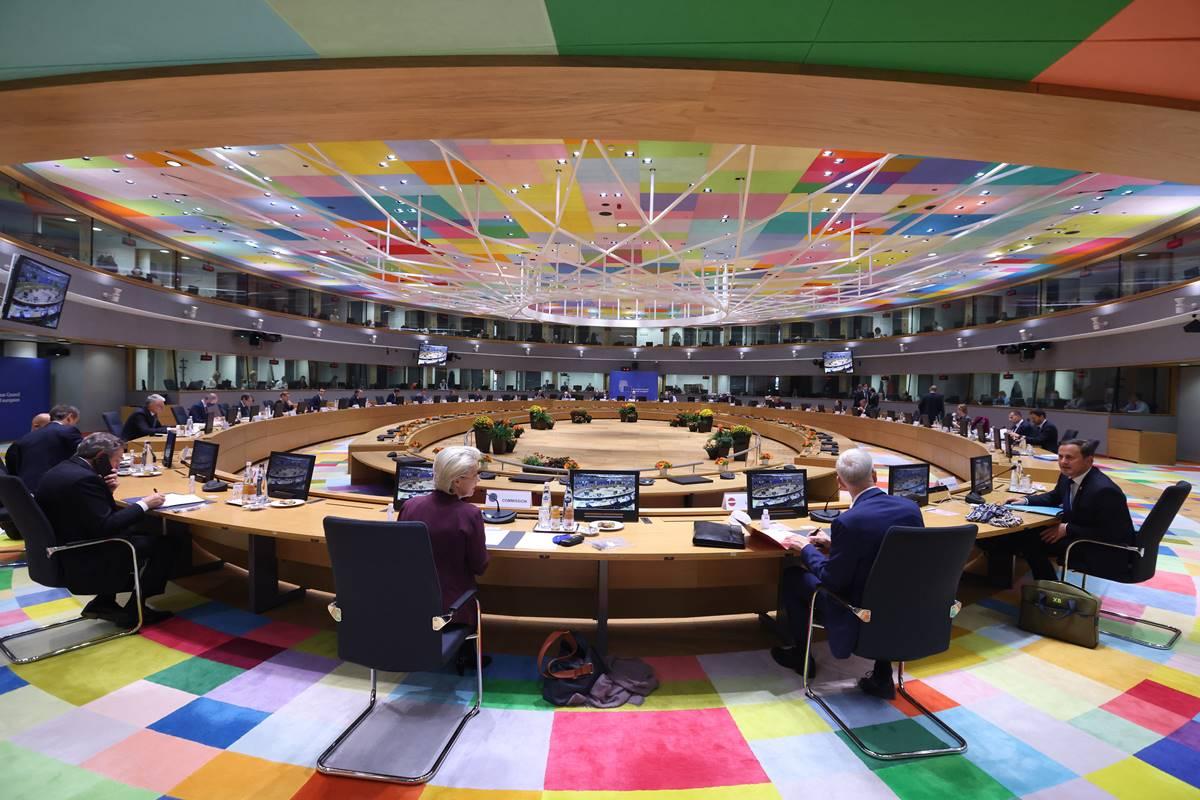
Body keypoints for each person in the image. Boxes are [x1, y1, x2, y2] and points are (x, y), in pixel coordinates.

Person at [773, 448, 923, 698]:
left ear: (840, 482)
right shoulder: (910, 509)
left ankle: (802, 657)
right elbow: (886, 554)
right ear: (875, 475)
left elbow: (832, 580)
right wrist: (836, 547)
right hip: (902, 605)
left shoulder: (848, 521)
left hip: (858, 609)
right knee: (885, 585)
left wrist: (807, 548)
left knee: (792, 578)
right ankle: (882, 673)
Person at [35, 433, 172, 626]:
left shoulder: (64, 469)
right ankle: (135, 612)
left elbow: (85, 511)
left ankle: (104, 602)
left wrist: (107, 492)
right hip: (83, 552)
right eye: (116, 460)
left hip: (62, 544)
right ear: (100, 457)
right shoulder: (84, 479)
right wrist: (145, 504)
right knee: (166, 544)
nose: (116, 466)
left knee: (138, 530)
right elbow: (106, 526)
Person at [399, 446, 490, 669]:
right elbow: (480, 566)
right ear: (457, 481)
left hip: (409, 603)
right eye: (475, 475)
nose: (478, 480)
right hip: (452, 609)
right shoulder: (469, 514)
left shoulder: (409, 506)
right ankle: (467, 654)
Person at [1003, 439, 1134, 580]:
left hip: (1101, 546)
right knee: (1025, 535)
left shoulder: (1104, 490)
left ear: (1089, 461)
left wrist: (1068, 529)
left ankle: (1047, 588)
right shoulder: (1068, 476)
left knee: (1030, 542)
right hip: (1079, 532)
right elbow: (1054, 496)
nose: (1063, 462)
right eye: (1060, 457)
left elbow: (1115, 533)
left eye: (1069, 458)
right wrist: (1026, 500)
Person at [5, 404, 83, 493]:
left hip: (24, 493)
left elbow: (12, 468)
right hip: (52, 490)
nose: (75, 426)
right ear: (70, 417)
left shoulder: (23, 439)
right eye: (76, 422)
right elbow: (85, 454)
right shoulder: (68, 431)